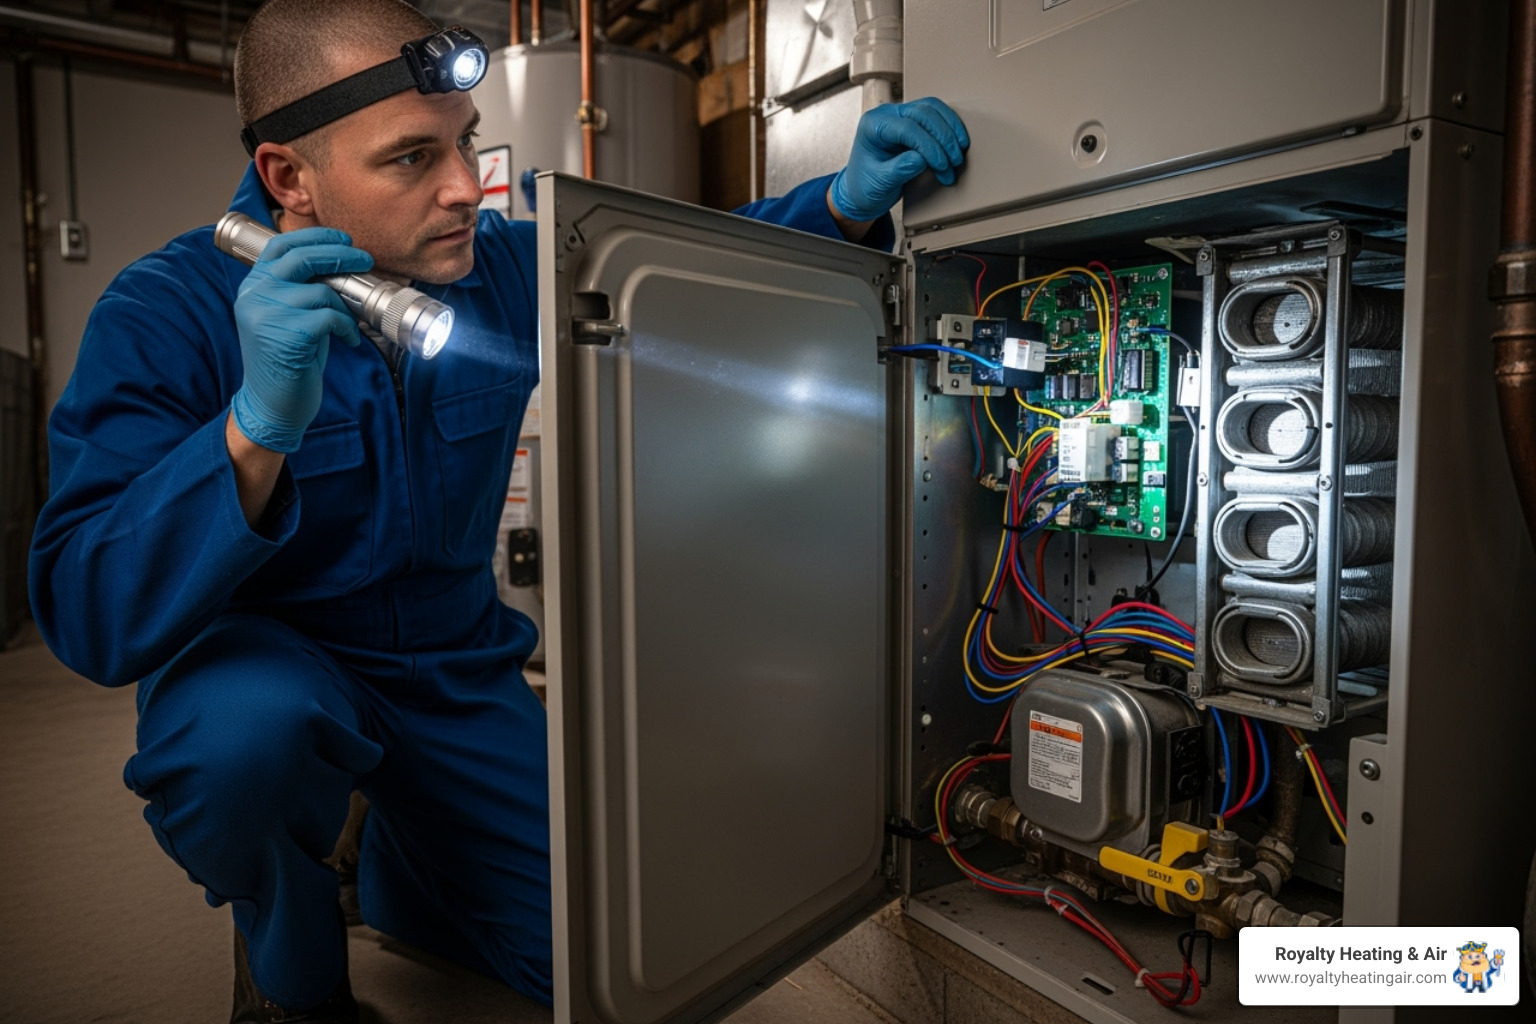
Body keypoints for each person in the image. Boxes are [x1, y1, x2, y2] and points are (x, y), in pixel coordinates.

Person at [26, 1, 969, 1020]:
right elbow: (87, 611)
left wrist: (840, 205)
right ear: (288, 178)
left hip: (447, 665)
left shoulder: (496, 271)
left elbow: (692, 277)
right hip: (264, 663)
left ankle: (400, 866)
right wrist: (253, 426)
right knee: (241, 745)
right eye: (409, 158)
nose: (462, 189)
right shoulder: (167, 313)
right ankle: (289, 965)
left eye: (466, 143)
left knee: (614, 961)